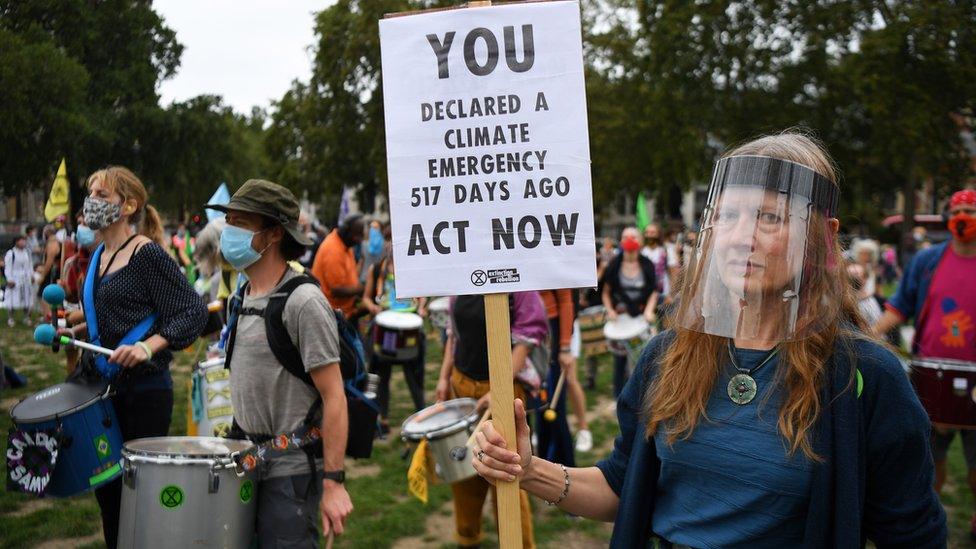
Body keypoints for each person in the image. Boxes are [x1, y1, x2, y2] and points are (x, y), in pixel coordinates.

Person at [473, 132, 946, 547]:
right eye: (727, 215)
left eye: (769, 217)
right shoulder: (668, 357)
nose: (740, 237)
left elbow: (912, 535)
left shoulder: (863, 378)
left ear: (822, 237)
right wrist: (526, 467)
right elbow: (622, 487)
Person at [62, 166, 207, 548]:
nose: (92, 201)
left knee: (139, 498)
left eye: (102, 194)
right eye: (90, 193)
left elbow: (192, 311)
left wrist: (148, 346)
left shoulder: (146, 254)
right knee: (108, 498)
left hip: (144, 391)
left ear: (129, 205)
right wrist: (75, 333)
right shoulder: (97, 256)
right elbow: (110, 324)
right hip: (102, 391)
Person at [209, 179, 353, 547]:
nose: (229, 232)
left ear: (273, 235)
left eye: (240, 223)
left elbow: (335, 396)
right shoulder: (239, 297)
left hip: (290, 475)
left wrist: (334, 483)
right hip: (244, 464)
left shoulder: (304, 302)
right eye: (229, 222)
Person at [873, 187, 976, 536]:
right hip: (931, 377)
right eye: (959, 214)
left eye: (972, 213)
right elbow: (899, 306)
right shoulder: (927, 261)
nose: (964, 220)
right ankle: (929, 520)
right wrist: (868, 336)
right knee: (930, 460)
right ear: (948, 220)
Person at [435, 291, 548, 548]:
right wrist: (443, 378)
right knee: (463, 470)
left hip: (503, 390)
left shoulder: (517, 282)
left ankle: (518, 544)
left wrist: (498, 389)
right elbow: (454, 335)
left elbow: (526, 341)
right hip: (461, 385)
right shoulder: (460, 278)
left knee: (506, 476)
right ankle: (467, 538)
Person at [363, 233, 427, 435]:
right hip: (386, 329)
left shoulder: (412, 268)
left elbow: (422, 295)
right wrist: (373, 308)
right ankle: (381, 419)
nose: (392, 245)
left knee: (414, 373)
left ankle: (423, 417)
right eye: (388, 240)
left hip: (409, 329)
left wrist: (422, 307)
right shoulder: (376, 270)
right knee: (382, 374)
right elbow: (366, 298)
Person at [601, 227, 658, 397]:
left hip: (640, 317)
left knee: (643, 358)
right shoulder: (614, 264)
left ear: (639, 241)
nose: (629, 239)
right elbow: (605, 293)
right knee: (619, 361)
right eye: (625, 236)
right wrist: (610, 310)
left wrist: (648, 311)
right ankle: (618, 397)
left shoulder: (647, 264)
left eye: (633, 236)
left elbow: (654, 291)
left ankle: (643, 396)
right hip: (620, 319)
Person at [537, 289, 591, 459]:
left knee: (567, 385)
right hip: (532, 330)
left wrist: (565, 346)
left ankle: (582, 430)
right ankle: (543, 457)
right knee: (540, 403)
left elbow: (566, 300)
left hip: (555, 330)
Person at [311, 213, 364, 318]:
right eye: (356, 236)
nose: (359, 240)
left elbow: (349, 275)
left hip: (346, 310)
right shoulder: (333, 250)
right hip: (333, 315)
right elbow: (337, 290)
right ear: (346, 232)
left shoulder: (345, 244)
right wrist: (362, 289)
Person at [4, 235, 34, 326]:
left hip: (26, 278)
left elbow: (30, 265)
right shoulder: (11, 253)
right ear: (16, 242)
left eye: (24, 241)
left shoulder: (27, 252)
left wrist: (31, 276)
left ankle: (27, 317)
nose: (23, 243)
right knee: (12, 299)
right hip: (14, 278)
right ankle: (10, 318)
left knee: (27, 299)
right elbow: (7, 267)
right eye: (21, 241)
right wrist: (9, 279)